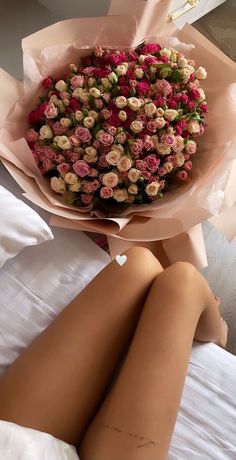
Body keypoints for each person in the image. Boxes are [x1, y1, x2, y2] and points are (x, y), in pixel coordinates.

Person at [0, 247, 228, 460]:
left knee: (138, 263)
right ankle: (217, 333)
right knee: (182, 281)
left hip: (12, 443)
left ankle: (212, 327)